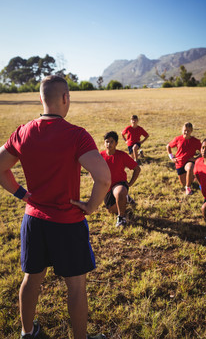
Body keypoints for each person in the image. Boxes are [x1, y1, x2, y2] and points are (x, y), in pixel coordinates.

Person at [0, 75, 111, 339]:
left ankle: (27, 333)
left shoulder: (23, 131)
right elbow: (104, 178)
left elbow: (0, 168)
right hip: (68, 223)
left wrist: (22, 194)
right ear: (65, 98)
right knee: (75, 287)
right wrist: (91, 206)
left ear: (41, 98)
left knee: (31, 278)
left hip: (34, 221)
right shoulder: (76, 135)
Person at [100, 131, 141, 227]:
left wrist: (130, 184)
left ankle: (121, 218)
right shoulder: (100, 156)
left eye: (111, 142)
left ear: (116, 143)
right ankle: (126, 198)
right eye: (107, 141)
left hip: (119, 184)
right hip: (107, 187)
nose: (109, 144)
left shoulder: (122, 155)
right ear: (104, 143)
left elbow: (137, 169)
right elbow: (92, 168)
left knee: (120, 192)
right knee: (111, 211)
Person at [166, 122, 201, 195]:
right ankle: (193, 177)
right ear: (182, 130)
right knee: (183, 183)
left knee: (190, 167)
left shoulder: (195, 141)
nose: (186, 132)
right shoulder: (178, 139)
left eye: (188, 130)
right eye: (185, 130)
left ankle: (188, 188)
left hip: (189, 162)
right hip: (179, 163)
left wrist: (196, 159)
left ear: (191, 131)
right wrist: (172, 158)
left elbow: (203, 152)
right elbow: (168, 146)